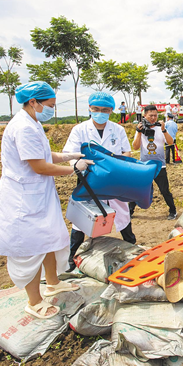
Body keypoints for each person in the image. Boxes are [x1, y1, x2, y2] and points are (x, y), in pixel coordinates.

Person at [0, 81, 90, 319]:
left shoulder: (32, 123)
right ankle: (34, 301)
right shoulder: (23, 127)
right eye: (50, 105)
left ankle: (52, 282)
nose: (52, 110)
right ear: (33, 102)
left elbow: (44, 154)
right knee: (30, 248)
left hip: (39, 196)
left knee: (50, 238)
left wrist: (69, 156)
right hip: (24, 199)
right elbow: (40, 166)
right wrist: (74, 169)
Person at [63, 91, 136, 271]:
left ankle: (134, 251)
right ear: (89, 108)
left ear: (111, 110)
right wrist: (77, 163)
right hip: (89, 181)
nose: (99, 112)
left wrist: (119, 165)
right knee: (82, 221)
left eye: (104, 109)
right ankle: (72, 261)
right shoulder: (80, 130)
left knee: (123, 216)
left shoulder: (117, 130)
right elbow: (69, 153)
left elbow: (126, 152)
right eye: (95, 109)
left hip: (114, 181)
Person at [129, 104, 177, 220]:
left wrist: (164, 130)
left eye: (155, 115)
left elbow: (171, 143)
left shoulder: (160, 128)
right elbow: (135, 147)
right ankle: (130, 211)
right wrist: (139, 132)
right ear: (144, 115)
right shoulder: (140, 129)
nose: (153, 118)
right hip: (145, 165)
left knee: (165, 190)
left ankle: (173, 210)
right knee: (139, 189)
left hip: (160, 166)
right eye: (150, 115)